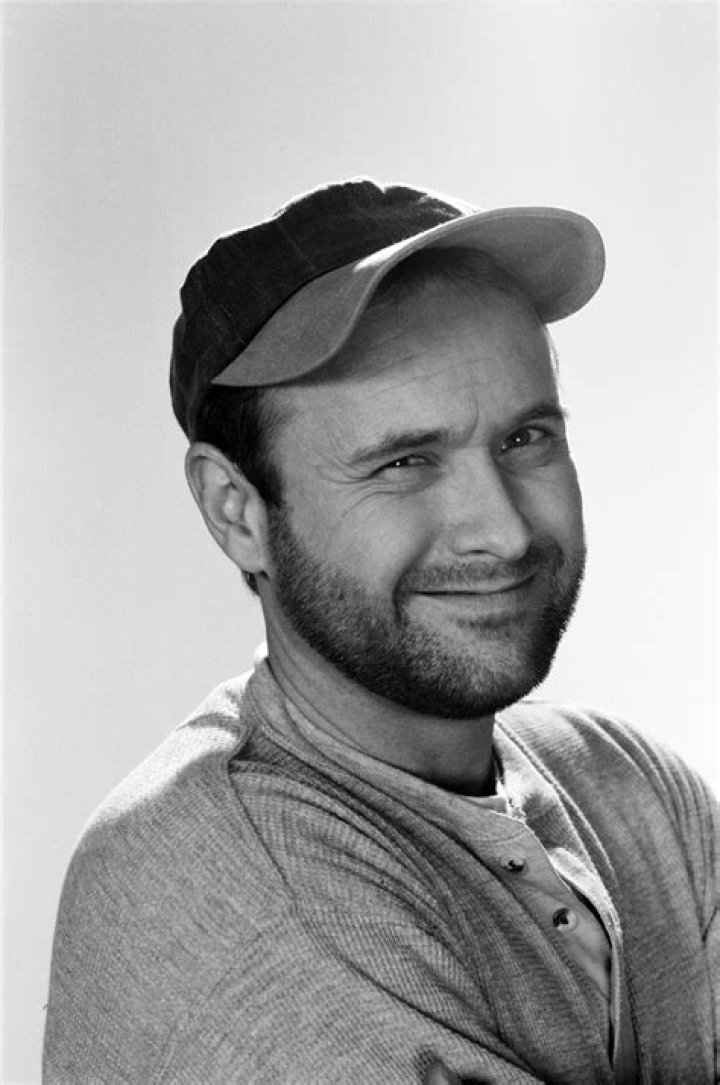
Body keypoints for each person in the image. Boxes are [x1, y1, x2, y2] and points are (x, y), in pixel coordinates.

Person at [43, 179, 717, 1084]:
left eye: (525, 439)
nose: (503, 531)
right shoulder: (205, 881)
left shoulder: (634, 788)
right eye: (404, 462)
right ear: (237, 510)